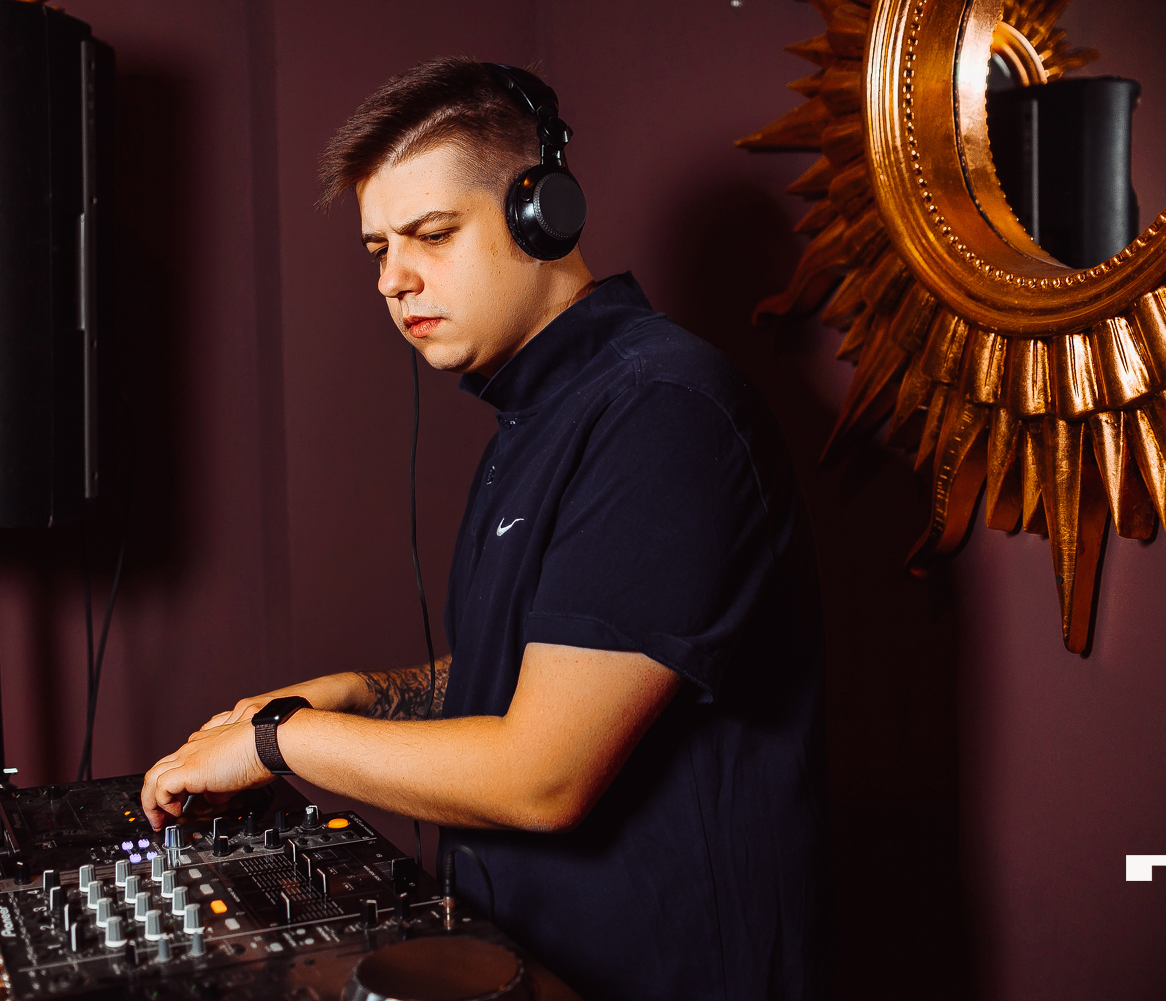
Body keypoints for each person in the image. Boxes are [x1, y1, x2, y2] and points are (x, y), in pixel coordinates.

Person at [141, 56, 828, 1000]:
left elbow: (542, 773)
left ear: (541, 216)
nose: (394, 280)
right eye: (378, 248)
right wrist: (355, 693)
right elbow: (541, 669)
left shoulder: (664, 412)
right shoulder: (540, 416)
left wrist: (278, 739)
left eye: (432, 234)